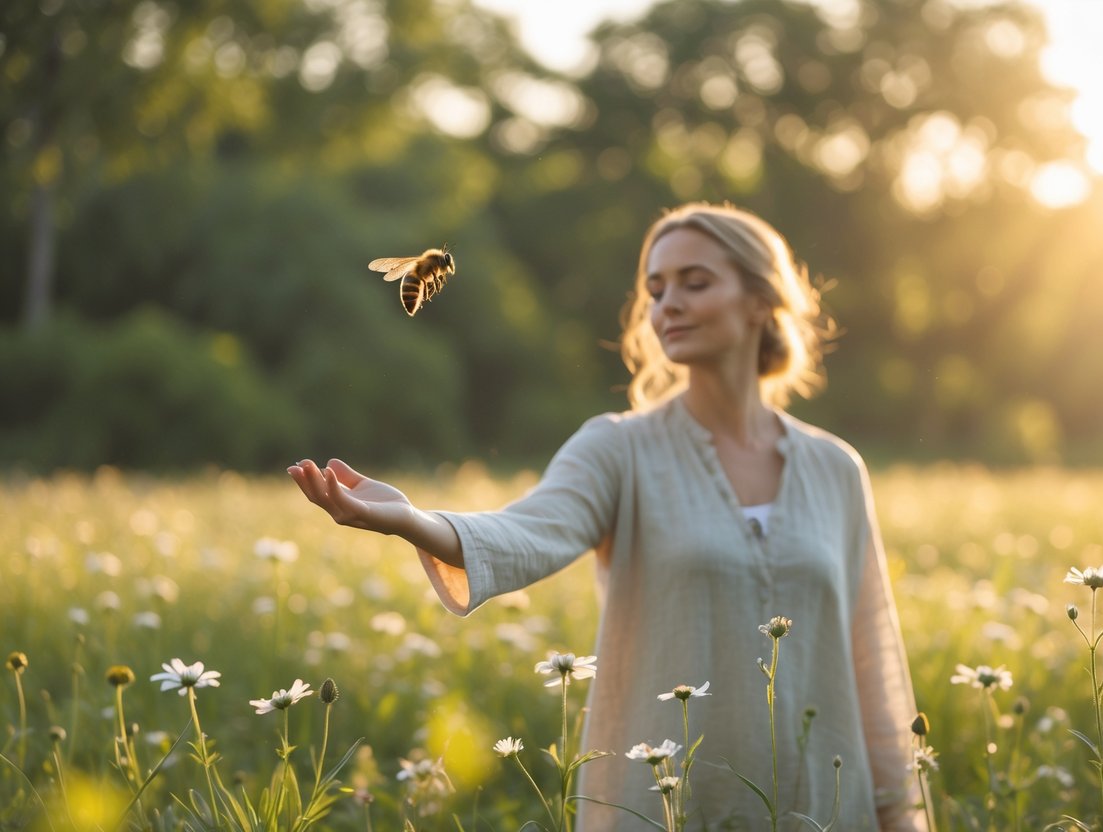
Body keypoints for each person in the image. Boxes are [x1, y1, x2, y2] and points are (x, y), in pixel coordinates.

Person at [289, 202, 922, 830]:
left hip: (824, 810)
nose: (667, 303)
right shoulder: (619, 448)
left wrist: (902, 814)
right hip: (664, 807)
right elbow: (529, 532)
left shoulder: (835, 468)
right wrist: (411, 519)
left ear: (760, 300)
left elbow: (873, 658)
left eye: (694, 283)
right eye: (655, 288)